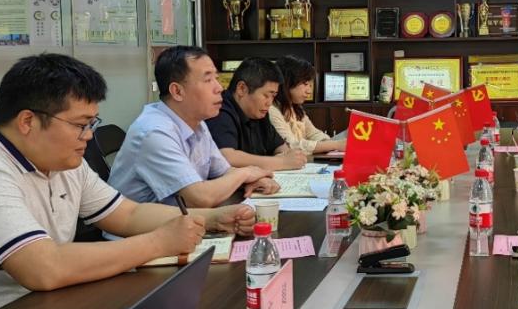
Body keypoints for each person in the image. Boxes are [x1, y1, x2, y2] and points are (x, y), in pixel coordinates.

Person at [0, 54, 255, 309]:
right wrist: (158, 242)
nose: (88, 136)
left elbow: (128, 214)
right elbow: (44, 267)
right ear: (27, 121)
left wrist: (213, 218)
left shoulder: (63, 162)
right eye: (80, 125)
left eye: (92, 124)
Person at [110, 46, 278, 208]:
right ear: (177, 91)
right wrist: (246, 173)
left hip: (180, 219)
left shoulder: (197, 122)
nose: (219, 88)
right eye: (208, 80)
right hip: (143, 226)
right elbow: (199, 198)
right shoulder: (154, 132)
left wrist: (252, 180)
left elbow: (223, 171)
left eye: (216, 78)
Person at [206, 57, 308, 172]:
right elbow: (226, 156)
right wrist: (282, 162)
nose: (269, 103)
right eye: (266, 95)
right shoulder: (219, 110)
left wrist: (289, 156)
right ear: (242, 89)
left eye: (273, 96)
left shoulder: (259, 112)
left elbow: (280, 147)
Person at [269, 55, 345, 155]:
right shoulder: (271, 109)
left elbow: (314, 133)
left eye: (310, 85)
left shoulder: (296, 108)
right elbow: (291, 145)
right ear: (288, 82)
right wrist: (335, 145)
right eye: (305, 84)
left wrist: (332, 143)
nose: (309, 91)